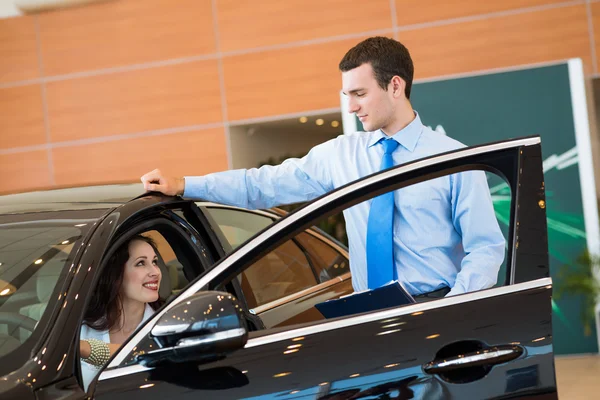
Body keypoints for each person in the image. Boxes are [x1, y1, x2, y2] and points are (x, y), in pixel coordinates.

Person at [140, 36, 505, 300]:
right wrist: (185, 184)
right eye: (346, 95)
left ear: (396, 86)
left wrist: (455, 305)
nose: (350, 107)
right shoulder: (339, 155)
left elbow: (486, 247)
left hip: (436, 307)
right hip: (368, 317)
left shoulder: (453, 159)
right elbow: (262, 185)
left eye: (359, 94)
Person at [79, 234, 162, 389]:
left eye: (155, 262)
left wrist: (84, 348)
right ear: (116, 274)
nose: (155, 272)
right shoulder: (80, 327)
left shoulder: (165, 328)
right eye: (141, 263)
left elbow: (145, 356)